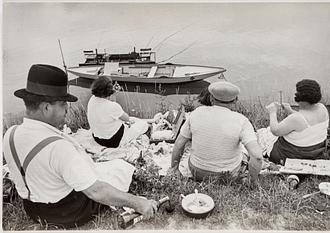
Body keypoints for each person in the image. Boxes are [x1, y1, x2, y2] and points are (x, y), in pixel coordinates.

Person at [2, 64, 158, 228]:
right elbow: (95, 191)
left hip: (32, 209)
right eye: (63, 104)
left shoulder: (10, 134)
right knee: (118, 169)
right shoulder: (59, 148)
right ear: (46, 107)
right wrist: (139, 203)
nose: (67, 110)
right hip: (66, 212)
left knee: (105, 169)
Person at [168, 81, 263, 185]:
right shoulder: (242, 120)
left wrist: (174, 169)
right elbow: (257, 156)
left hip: (197, 172)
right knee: (245, 154)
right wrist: (253, 181)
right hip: (227, 175)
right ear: (235, 100)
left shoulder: (196, 113)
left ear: (211, 98)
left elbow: (179, 143)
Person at [266, 79, 329, 165]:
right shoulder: (322, 108)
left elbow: (275, 131)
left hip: (292, 155)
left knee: (264, 133)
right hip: (315, 151)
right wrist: (290, 111)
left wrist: (272, 112)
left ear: (300, 96)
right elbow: (304, 122)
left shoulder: (296, 118)